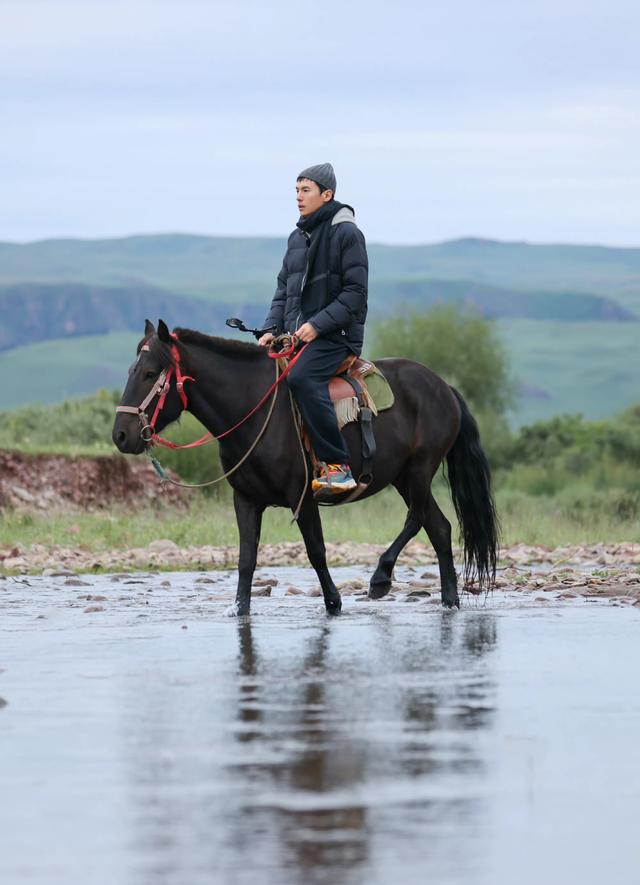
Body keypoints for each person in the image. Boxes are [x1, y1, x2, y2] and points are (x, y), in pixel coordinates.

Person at [259, 163, 369, 493]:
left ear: (327, 194)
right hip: (299, 334)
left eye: (305, 190)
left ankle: (337, 465)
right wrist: (270, 327)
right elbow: (284, 291)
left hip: (337, 336)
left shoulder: (347, 234)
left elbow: (355, 294)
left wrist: (317, 326)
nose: (298, 197)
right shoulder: (297, 238)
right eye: (296, 190)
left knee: (303, 377)